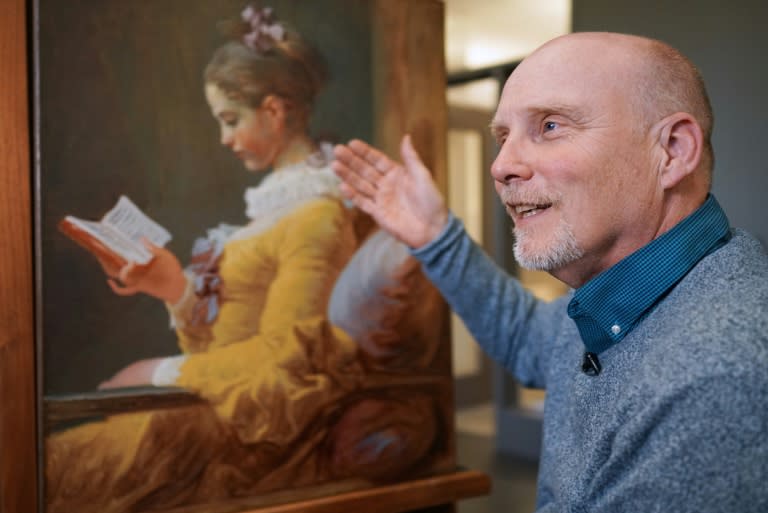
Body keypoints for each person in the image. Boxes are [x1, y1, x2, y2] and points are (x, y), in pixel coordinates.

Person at [332, 32, 768, 512]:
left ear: (672, 150)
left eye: (551, 125)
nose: (501, 166)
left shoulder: (711, 378)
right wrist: (436, 236)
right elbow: (528, 337)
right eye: (503, 137)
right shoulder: (631, 299)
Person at [46, 6, 442, 512]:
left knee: (57, 470)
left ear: (274, 111)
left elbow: (284, 365)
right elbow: (227, 342)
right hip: (211, 408)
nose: (224, 139)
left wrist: (158, 372)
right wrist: (175, 289)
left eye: (230, 120)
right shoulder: (276, 207)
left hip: (242, 433)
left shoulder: (316, 217)